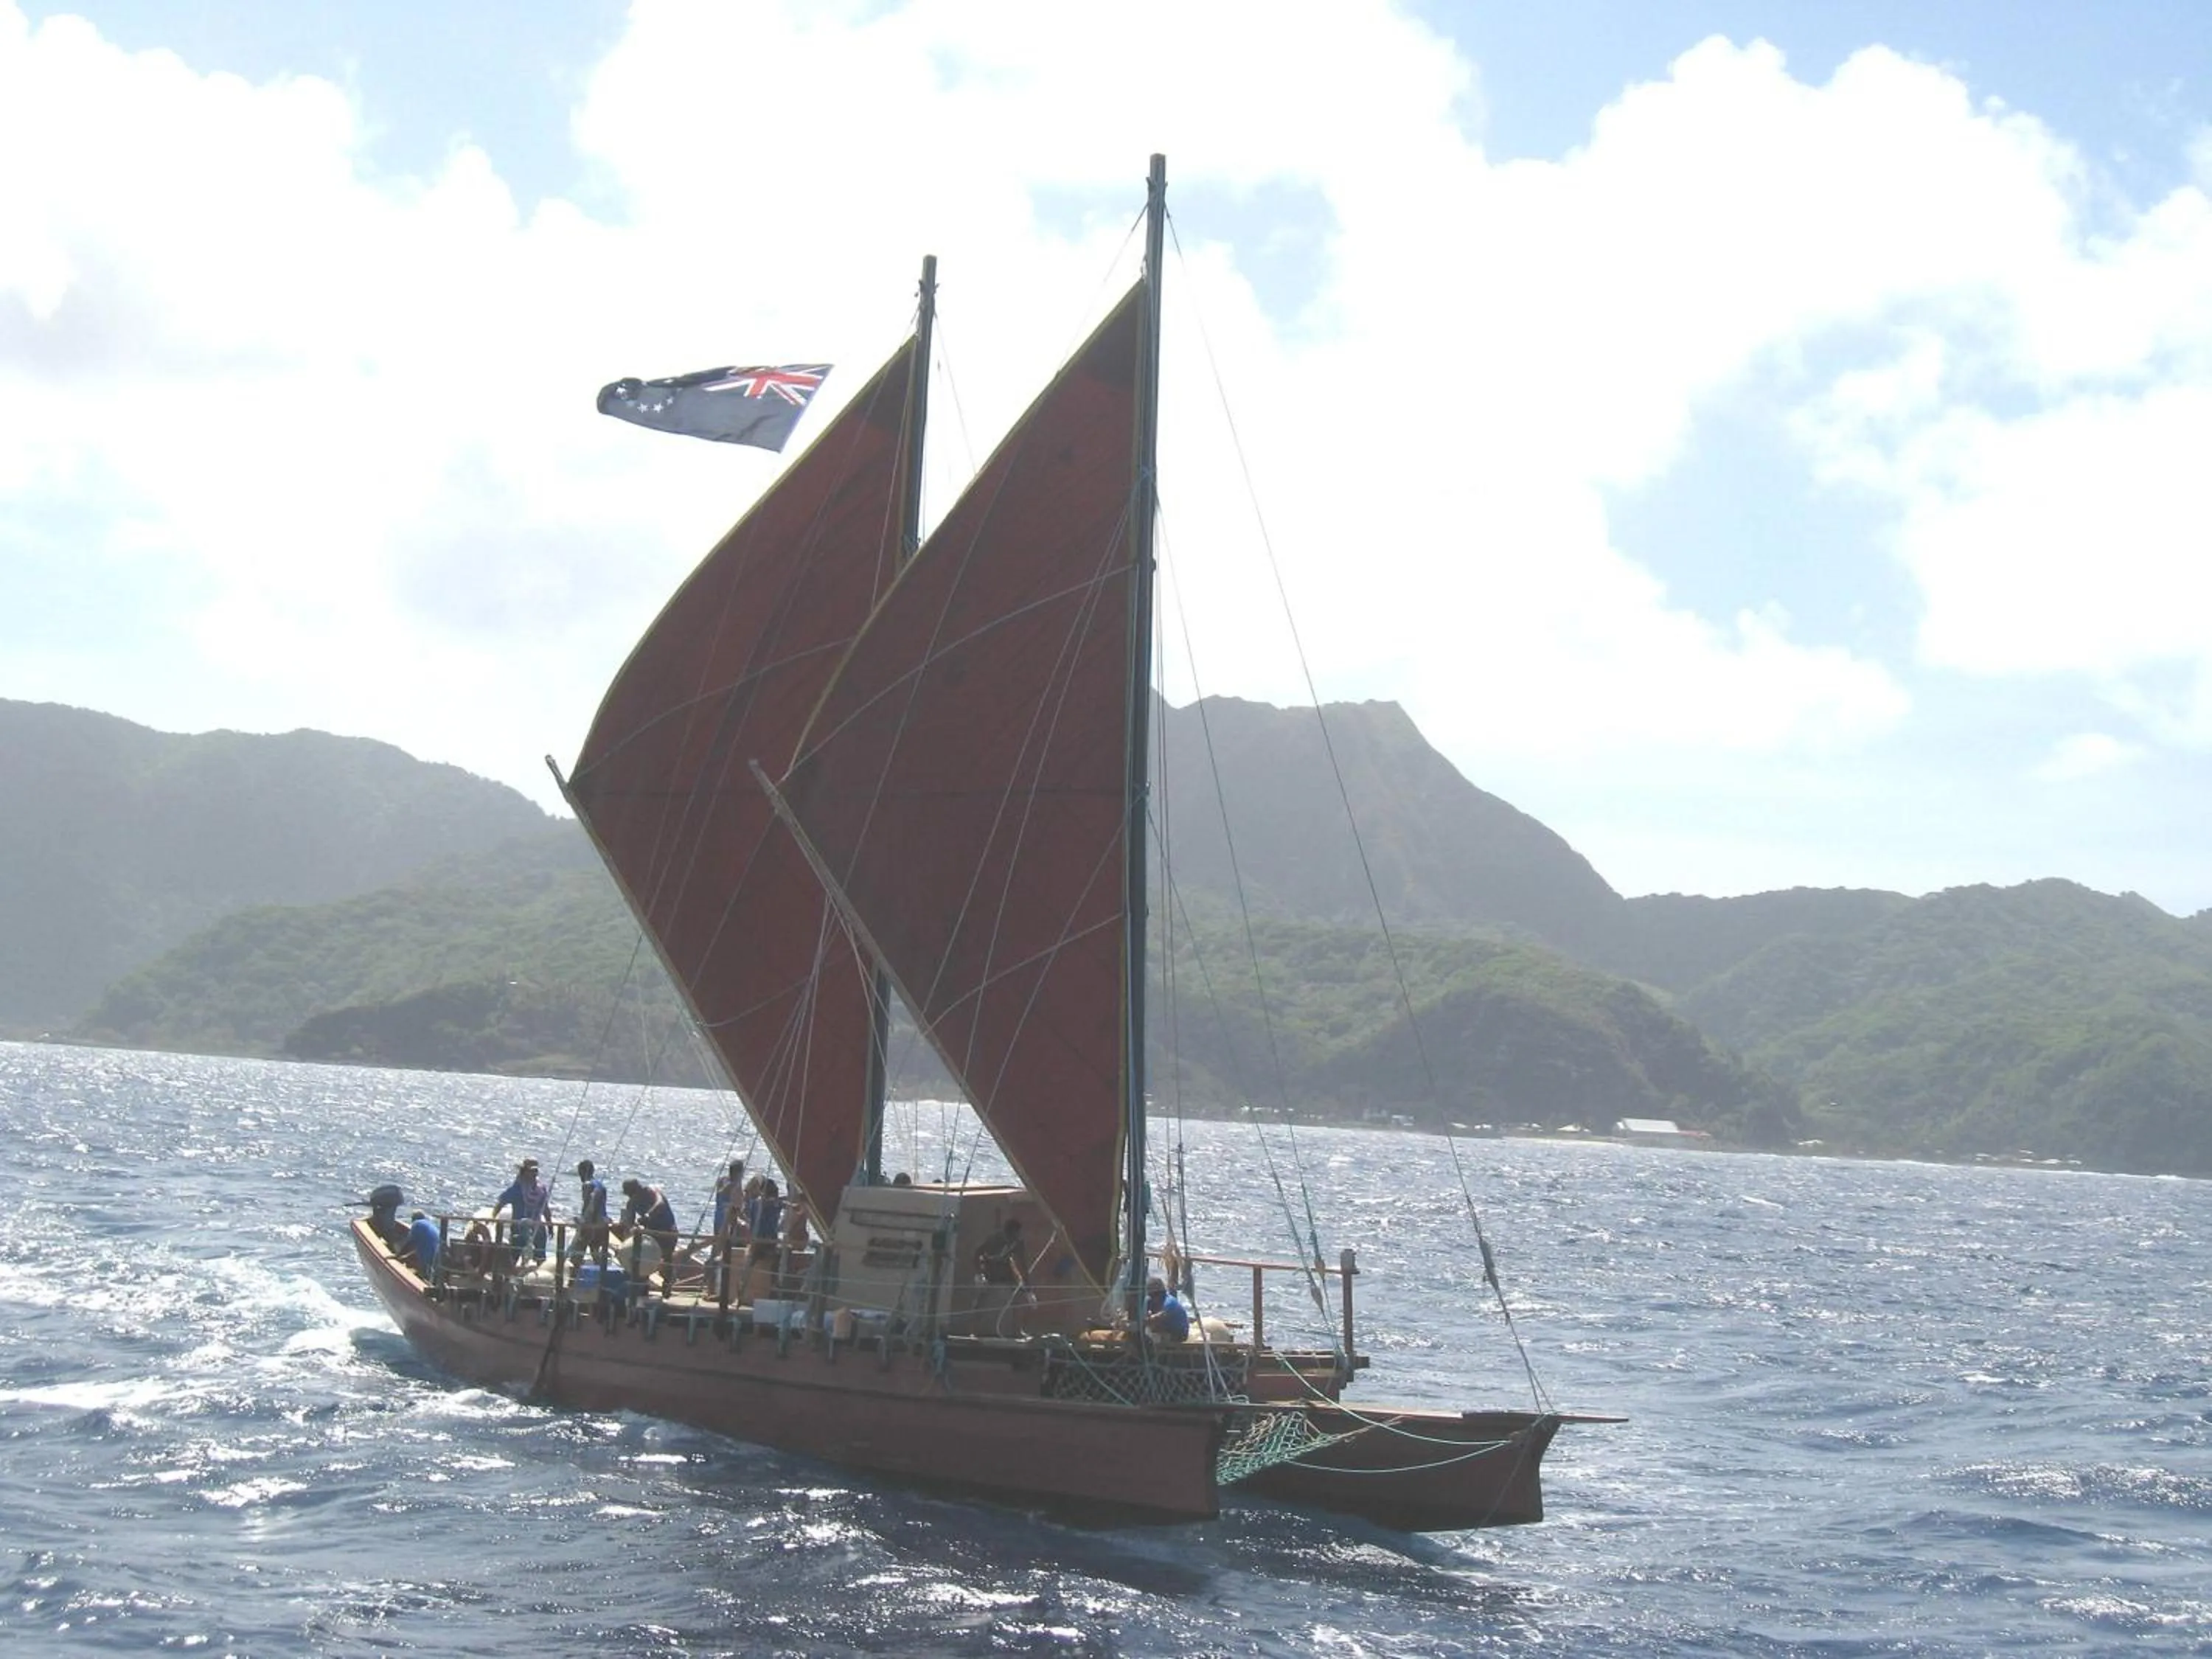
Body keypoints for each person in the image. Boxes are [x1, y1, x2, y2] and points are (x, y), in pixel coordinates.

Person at [618, 1178, 680, 1295]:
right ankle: (643, 1287)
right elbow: (629, 1222)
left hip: (667, 1230)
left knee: (667, 1258)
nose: (631, 1197)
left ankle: (667, 1285)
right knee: (645, 1257)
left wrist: (648, 1215)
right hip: (651, 1231)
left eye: (632, 1193)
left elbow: (660, 1203)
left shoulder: (652, 1191)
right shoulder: (632, 1202)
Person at [491, 1158, 552, 1266]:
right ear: (524, 1172)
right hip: (519, 1227)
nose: (534, 1174)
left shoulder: (541, 1190)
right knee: (514, 1254)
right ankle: (509, 1274)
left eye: (536, 1171)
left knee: (540, 1255)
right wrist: (493, 1218)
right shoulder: (517, 1189)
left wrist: (550, 1224)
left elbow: (545, 1208)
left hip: (537, 1227)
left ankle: (539, 1272)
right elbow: (501, 1203)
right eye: (531, 1171)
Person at [572, 1160, 611, 1267]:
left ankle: (573, 1279)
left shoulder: (587, 1185)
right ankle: (601, 1277)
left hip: (591, 1224)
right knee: (595, 1252)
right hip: (602, 1224)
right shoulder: (601, 1185)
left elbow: (589, 1206)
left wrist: (583, 1221)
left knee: (577, 1254)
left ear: (582, 1171)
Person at [364, 1183, 411, 1253]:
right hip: (387, 1224)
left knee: (388, 1229)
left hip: (388, 1229)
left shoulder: (387, 1208)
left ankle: (396, 1246)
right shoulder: (387, 1205)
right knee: (388, 1226)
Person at [1144, 1275, 1189, 1343]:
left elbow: (1156, 1319)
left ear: (1157, 1294)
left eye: (1151, 1295)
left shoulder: (1168, 1303)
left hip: (1178, 1334)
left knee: (1148, 1335)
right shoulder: (1157, 1301)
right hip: (1167, 1329)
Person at [401, 1211, 442, 1276]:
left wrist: (399, 1255)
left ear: (413, 1219)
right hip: (438, 1254)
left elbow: (410, 1242)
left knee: (422, 1272)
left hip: (428, 1255)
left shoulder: (417, 1224)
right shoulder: (429, 1225)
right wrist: (406, 1256)